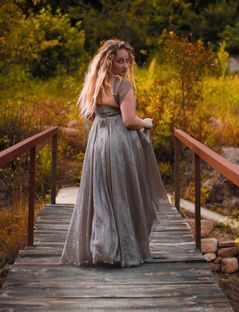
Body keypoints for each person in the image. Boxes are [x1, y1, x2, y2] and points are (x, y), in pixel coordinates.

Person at [60, 39, 168, 268]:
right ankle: (122, 250)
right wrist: (146, 122)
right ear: (109, 62)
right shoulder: (122, 86)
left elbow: (91, 116)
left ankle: (102, 247)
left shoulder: (94, 84)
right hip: (118, 145)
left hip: (97, 144)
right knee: (121, 193)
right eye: (120, 61)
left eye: (128, 61)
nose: (125, 65)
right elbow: (129, 121)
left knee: (100, 193)